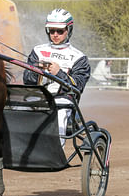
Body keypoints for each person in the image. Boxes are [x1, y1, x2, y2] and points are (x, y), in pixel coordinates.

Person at [23, 8, 90, 146]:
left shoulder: (79, 57)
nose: (55, 35)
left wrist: (59, 73)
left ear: (68, 30)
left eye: (60, 31)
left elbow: (78, 86)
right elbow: (27, 79)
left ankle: (53, 153)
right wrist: (37, 71)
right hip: (37, 97)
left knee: (60, 115)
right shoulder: (38, 51)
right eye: (51, 30)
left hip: (62, 100)